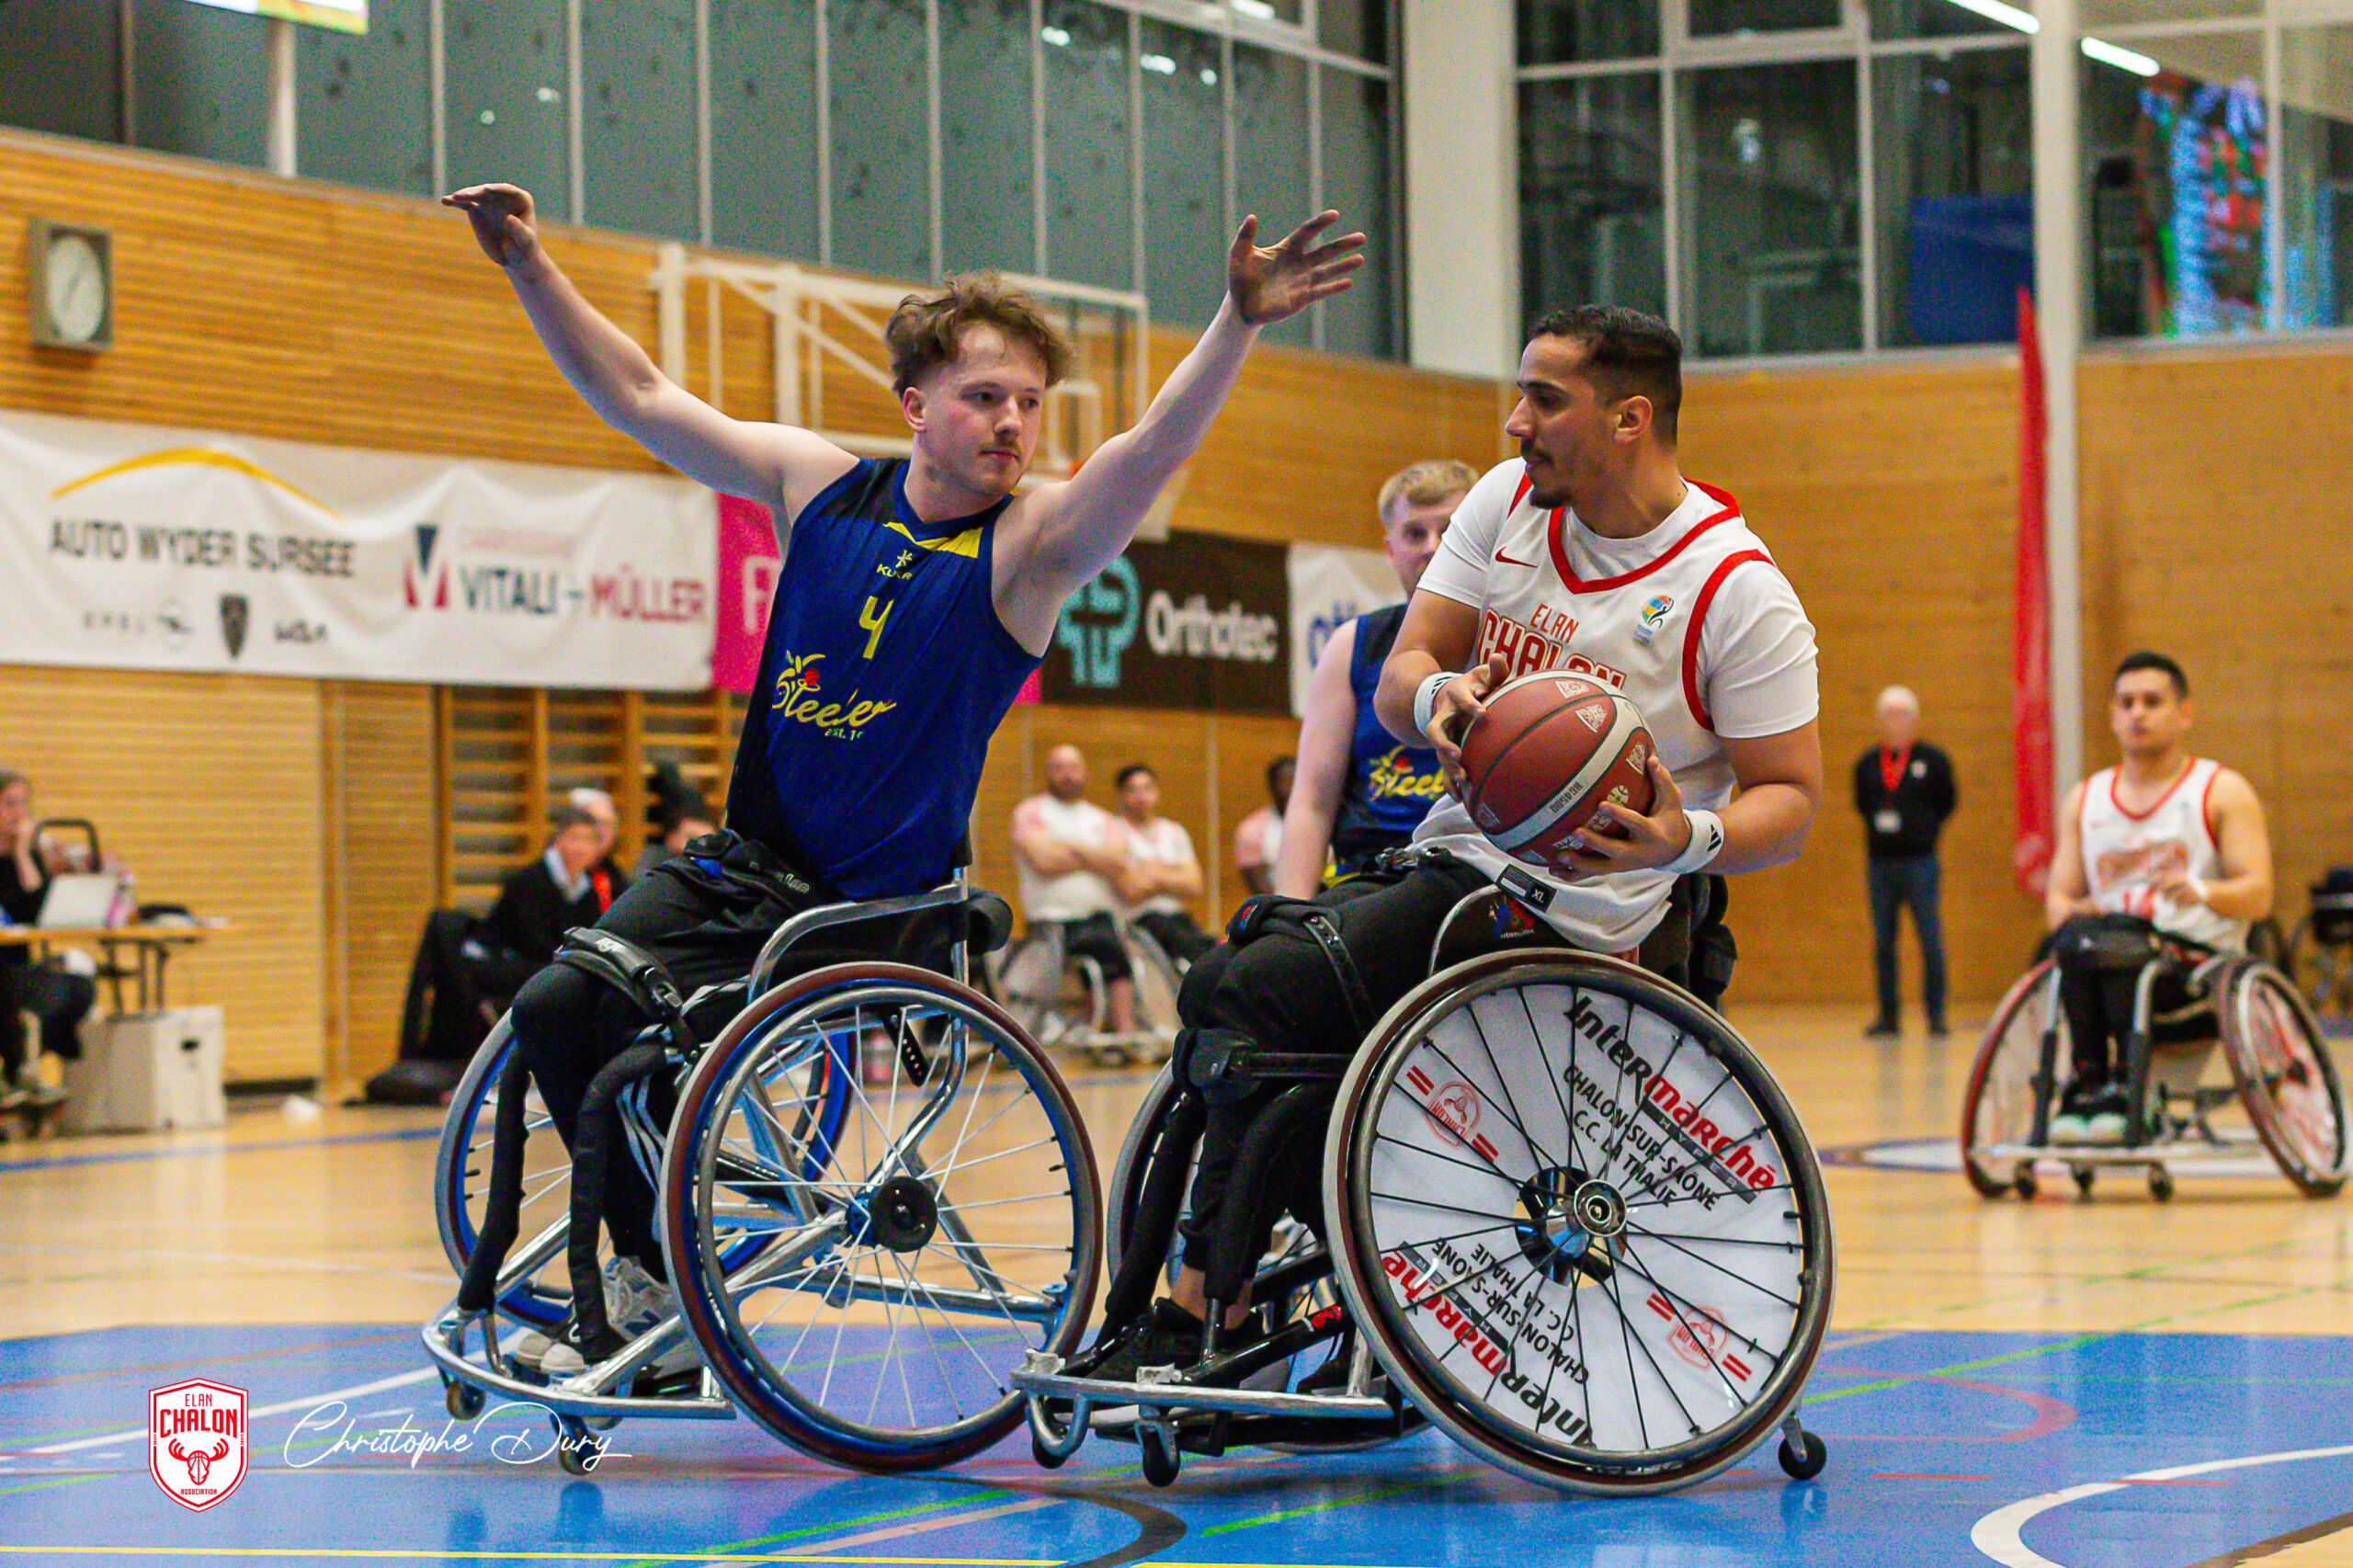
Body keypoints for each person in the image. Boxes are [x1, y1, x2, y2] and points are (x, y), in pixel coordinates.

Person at [441, 176, 1358, 1373]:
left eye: (1029, 402)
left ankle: (660, 1278)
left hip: (874, 909)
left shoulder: (1027, 550)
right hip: (745, 872)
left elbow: (1150, 452)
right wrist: (527, 263)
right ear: (916, 405)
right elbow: (643, 393)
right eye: (984, 397)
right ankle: (658, 1273)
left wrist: (1234, 322)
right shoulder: (820, 486)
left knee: (623, 1026)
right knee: (556, 1005)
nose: (1012, 423)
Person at [1082, 304, 1822, 1375]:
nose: (1515, 422)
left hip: (1579, 917)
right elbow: (1401, 672)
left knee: (1260, 993)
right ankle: (1283, 1281)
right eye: (1518, 394)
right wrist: (1435, 696)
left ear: (1630, 417)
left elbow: (1789, 800)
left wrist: (1680, 835)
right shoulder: (1506, 499)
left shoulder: (1735, 589)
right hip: (1455, 866)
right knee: (1222, 982)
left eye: (1544, 400)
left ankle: (1208, 1316)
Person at [2041, 653, 2271, 1143]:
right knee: (2074, 941)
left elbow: (2259, 895)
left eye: (2152, 701)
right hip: (2109, 951)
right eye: (2126, 703)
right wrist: (2073, 910)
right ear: (2112, 716)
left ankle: (2132, 1085)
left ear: (2184, 712)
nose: (2137, 713)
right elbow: (2058, 901)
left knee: (2123, 947)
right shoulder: (2085, 799)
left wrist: (2203, 890)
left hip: (2194, 970)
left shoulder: (2220, 790)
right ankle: (2089, 1083)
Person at [1272, 459, 1473, 899]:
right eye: (1415, 534)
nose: (1432, 547)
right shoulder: (1352, 645)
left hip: (1475, 874)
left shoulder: (1508, 636)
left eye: (1449, 531)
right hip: (1370, 879)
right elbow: (1312, 802)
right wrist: (1287, 912)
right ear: (1390, 550)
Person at [1011, 744, 1141, 1036]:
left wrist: (1068, 848)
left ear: (1084, 773)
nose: (1067, 775)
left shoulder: (1103, 819)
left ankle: (1124, 1031)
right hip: (1050, 921)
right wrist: (1095, 856)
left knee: (1117, 955)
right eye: (1059, 768)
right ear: (1048, 773)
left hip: (1098, 918)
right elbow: (1044, 862)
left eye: (1073, 768)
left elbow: (1119, 862)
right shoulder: (1029, 812)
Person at [1852, 685, 1957, 1038]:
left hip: (1920, 862)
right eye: (1889, 716)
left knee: (1929, 937)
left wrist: (1920, 829)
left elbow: (1946, 803)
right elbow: (1862, 805)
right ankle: (1888, 1017)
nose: (1896, 723)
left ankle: (1936, 1015)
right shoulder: (1868, 764)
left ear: (1914, 721)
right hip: (1880, 864)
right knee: (1883, 940)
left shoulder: (1933, 760)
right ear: (1880, 722)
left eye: (1902, 716)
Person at [0, 769, 97, 1106]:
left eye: (24, 804)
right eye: (10, 804)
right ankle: (16, 1073)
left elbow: (38, 912)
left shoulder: (26, 858)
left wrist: (23, 855)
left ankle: (29, 1067)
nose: (19, 814)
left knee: (78, 987)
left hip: (20, 965)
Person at [480, 804, 626, 984]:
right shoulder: (530, 881)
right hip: (505, 963)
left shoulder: (589, 885)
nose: (581, 848)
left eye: (589, 841)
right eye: (575, 838)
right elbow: (532, 944)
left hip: (551, 966)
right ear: (558, 841)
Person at [1111, 763, 1213, 965]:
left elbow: (1194, 885)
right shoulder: (1114, 832)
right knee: (1184, 943)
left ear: (1157, 792)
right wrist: (1173, 872)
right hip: (1140, 920)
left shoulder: (1174, 831)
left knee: (1211, 947)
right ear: (1122, 795)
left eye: (1147, 788)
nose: (1141, 796)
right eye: (1133, 790)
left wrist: (1150, 872)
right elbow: (1132, 889)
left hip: (1178, 917)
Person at [1233, 756, 1293, 897]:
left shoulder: (1329, 823)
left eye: (1295, 781)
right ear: (1272, 785)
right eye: (1285, 782)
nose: (1291, 788)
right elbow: (1258, 886)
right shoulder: (1251, 830)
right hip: (1277, 903)